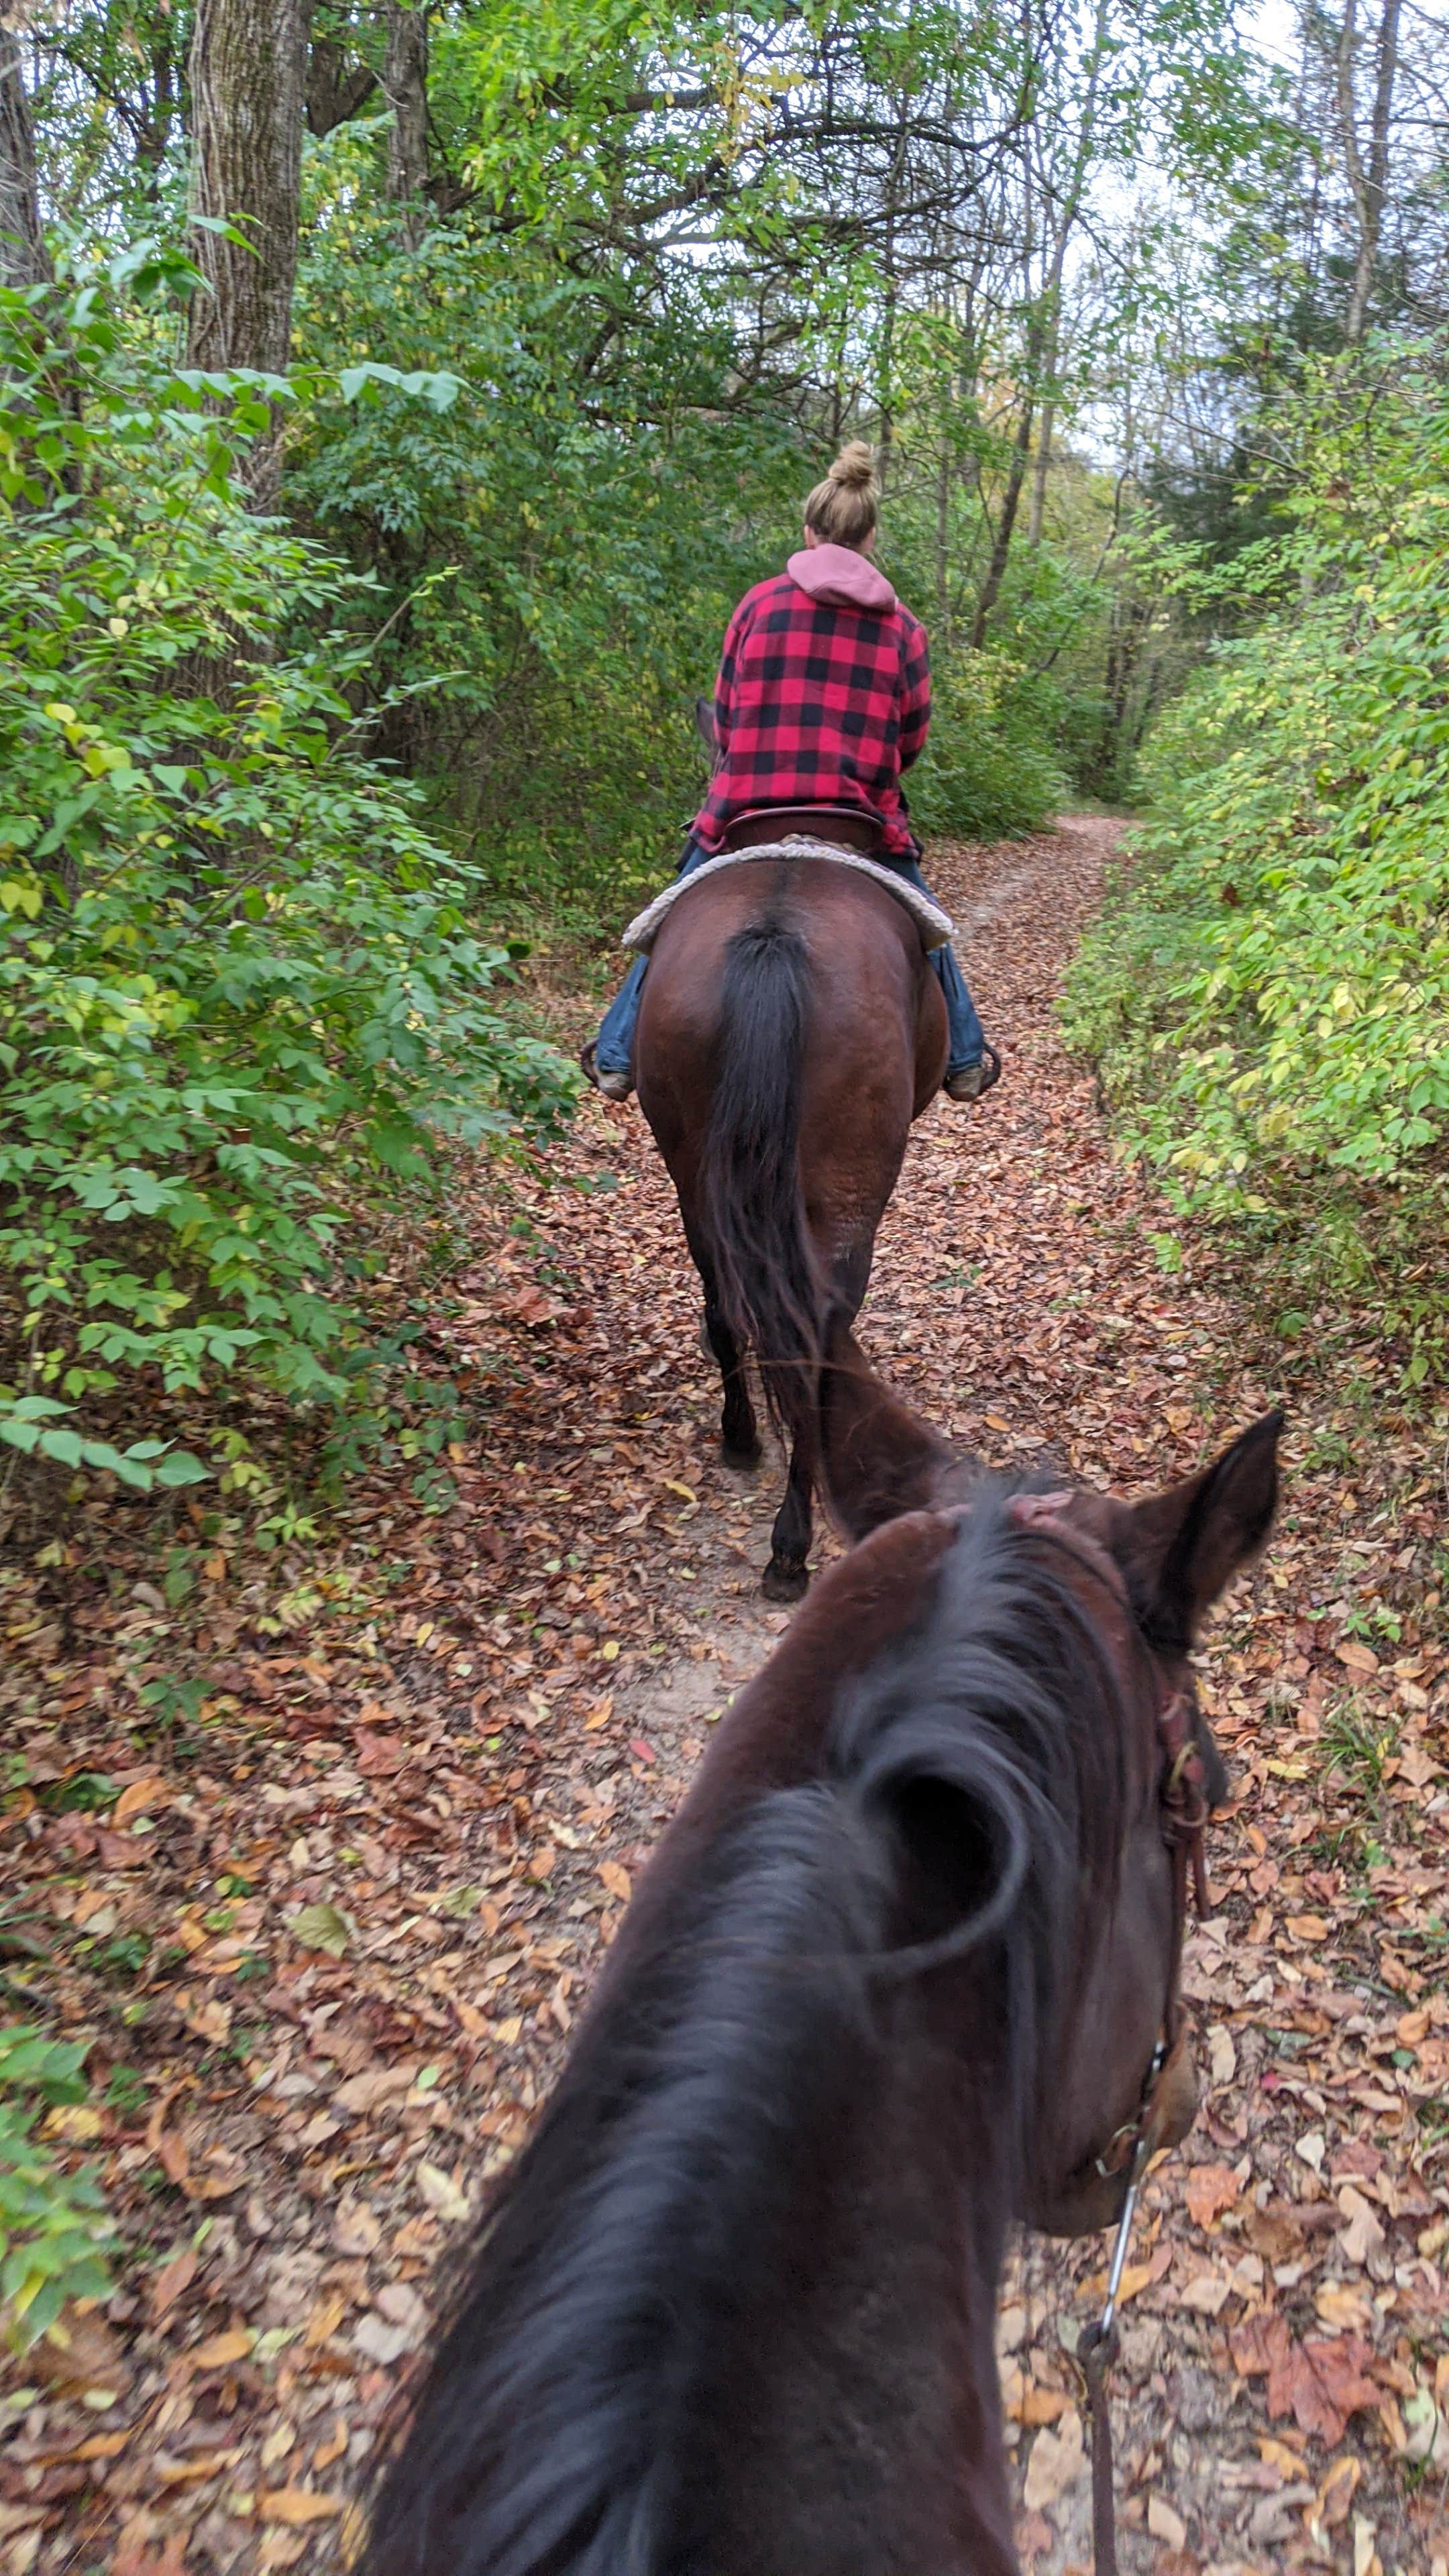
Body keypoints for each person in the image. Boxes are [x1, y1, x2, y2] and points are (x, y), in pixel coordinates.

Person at [583, 441, 1000, 1106]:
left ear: (809, 531)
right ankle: (966, 1054)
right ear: (869, 537)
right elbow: (910, 740)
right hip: (858, 826)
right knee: (929, 929)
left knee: (669, 917)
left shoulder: (758, 606)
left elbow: (730, 710)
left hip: (747, 813)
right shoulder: (905, 631)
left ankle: (615, 1051)